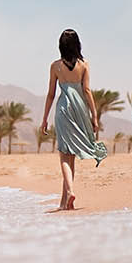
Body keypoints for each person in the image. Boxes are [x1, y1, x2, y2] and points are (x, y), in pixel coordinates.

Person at [40, 29, 107, 211]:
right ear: (77, 44)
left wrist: (44, 119)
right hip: (80, 110)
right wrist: (94, 116)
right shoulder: (84, 65)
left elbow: (51, 94)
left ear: (61, 46)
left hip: (63, 109)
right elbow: (87, 91)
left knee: (64, 155)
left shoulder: (55, 66)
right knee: (72, 159)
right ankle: (65, 203)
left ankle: (69, 192)